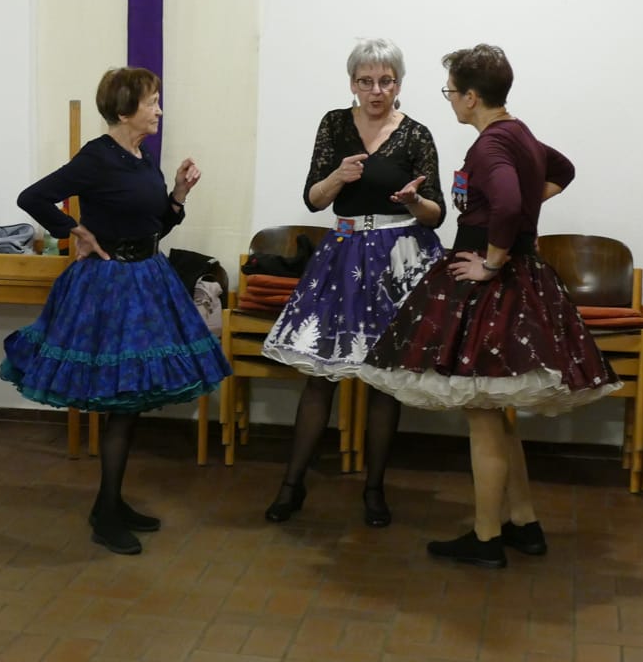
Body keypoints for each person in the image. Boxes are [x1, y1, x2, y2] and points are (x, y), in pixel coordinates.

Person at [359, 44, 621, 568]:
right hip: (521, 282)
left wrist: (493, 260)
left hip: (491, 289)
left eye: (451, 91)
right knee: (497, 417)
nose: (450, 100)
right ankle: (524, 522)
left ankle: (485, 538)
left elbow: (506, 202)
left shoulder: (490, 145)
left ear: (472, 97)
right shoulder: (519, 134)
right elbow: (562, 170)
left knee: (482, 416)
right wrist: (521, 217)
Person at [1, 67, 231, 556]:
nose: (159, 110)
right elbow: (32, 197)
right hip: (109, 289)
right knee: (121, 401)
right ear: (125, 111)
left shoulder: (142, 157)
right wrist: (74, 229)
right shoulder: (97, 157)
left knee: (130, 403)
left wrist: (179, 194)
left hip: (148, 279)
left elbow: (156, 226)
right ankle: (106, 511)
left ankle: (111, 504)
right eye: (152, 102)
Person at [261, 39, 445, 527]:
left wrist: (413, 201)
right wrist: (339, 176)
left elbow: (437, 213)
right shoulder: (334, 125)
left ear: (398, 84)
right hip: (342, 256)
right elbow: (314, 199)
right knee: (320, 376)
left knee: (383, 381)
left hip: (397, 261)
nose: (376, 90)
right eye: (366, 81)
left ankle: (375, 490)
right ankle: (292, 485)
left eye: (385, 81)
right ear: (352, 84)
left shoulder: (417, 135)